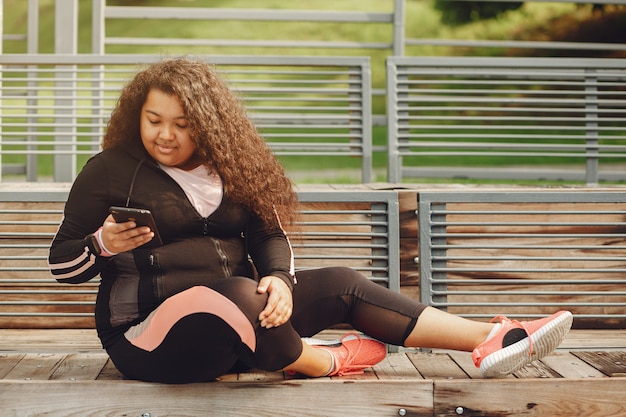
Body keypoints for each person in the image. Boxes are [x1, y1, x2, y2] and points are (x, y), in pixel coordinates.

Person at [48, 57, 573, 383]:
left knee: (341, 283)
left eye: (182, 125)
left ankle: (495, 336)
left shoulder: (234, 167)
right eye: (154, 120)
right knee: (232, 293)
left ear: (208, 125)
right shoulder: (110, 171)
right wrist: (102, 244)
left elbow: (269, 234)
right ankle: (320, 361)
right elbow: (61, 264)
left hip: (243, 331)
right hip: (149, 342)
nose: (165, 135)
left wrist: (277, 279)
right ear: (137, 114)